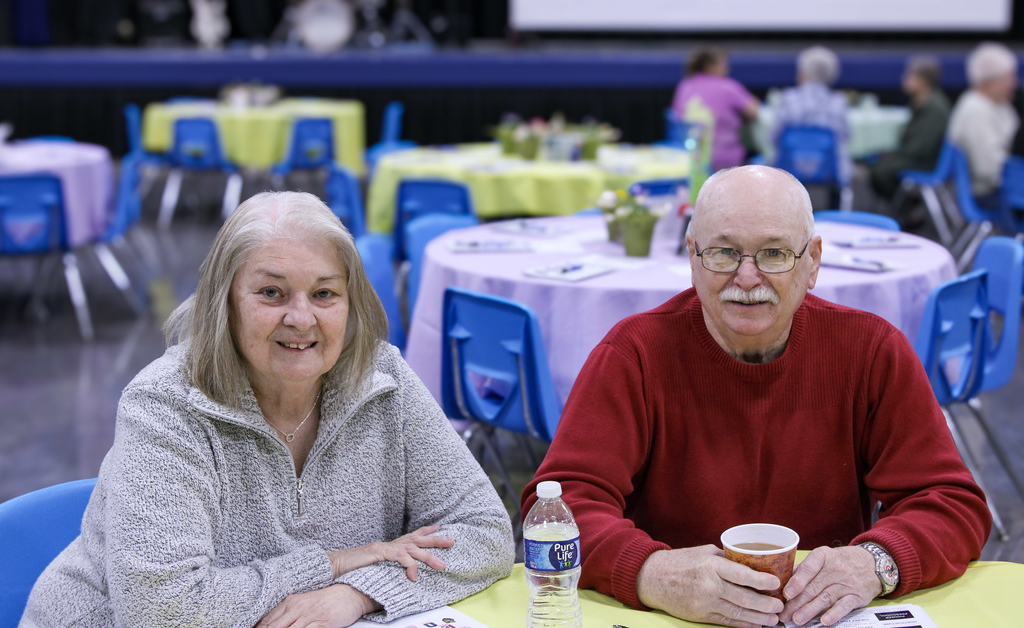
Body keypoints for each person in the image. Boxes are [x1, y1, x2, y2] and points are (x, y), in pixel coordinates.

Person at [523, 166, 991, 628]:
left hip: (823, 619)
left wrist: (875, 563)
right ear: (692, 256)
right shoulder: (633, 354)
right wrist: (649, 572)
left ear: (812, 262)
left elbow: (950, 501)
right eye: (724, 253)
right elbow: (562, 505)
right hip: (672, 618)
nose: (747, 279)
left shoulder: (871, 349)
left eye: (773, 254)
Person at [22, 192, 515, 627]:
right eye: (271, 293)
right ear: (225, 302)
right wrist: (335, 563)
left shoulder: (382, 379)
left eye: (324, 293)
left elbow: (485, 532)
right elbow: (162, 612)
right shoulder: (165, 406)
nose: (301, 319)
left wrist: (358, 592)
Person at [868, 56, 951, 202]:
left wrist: (897, 155)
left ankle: (907, 210)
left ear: (923, 80)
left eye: (910, 76)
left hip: (926, 164)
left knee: (881, 173)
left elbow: (922, 147)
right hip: (917, 158)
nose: (904, 79)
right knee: (877, 162)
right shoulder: (921, 103)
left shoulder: (934, 108)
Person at [948, 42, 1020, 207]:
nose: (1014, 84)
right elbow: (988, 169)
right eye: (1009, 78)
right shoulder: (976, 111)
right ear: (989, 81)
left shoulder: (1001, 105)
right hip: (989, 193)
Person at [772, 46, 852, 188]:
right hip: (830, 171)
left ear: (804, 72)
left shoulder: (789, 98)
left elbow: (774, 136)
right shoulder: (838, 102)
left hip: (788, 170)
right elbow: (845, 136)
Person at [671, 47, 760, 171]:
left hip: (689, 161)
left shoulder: (684, 86)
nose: (727, 69)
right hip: (725, 164)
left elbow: (676, 116)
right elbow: (755, 112)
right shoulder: (727, 87)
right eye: (723, 64)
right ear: (709, 66)